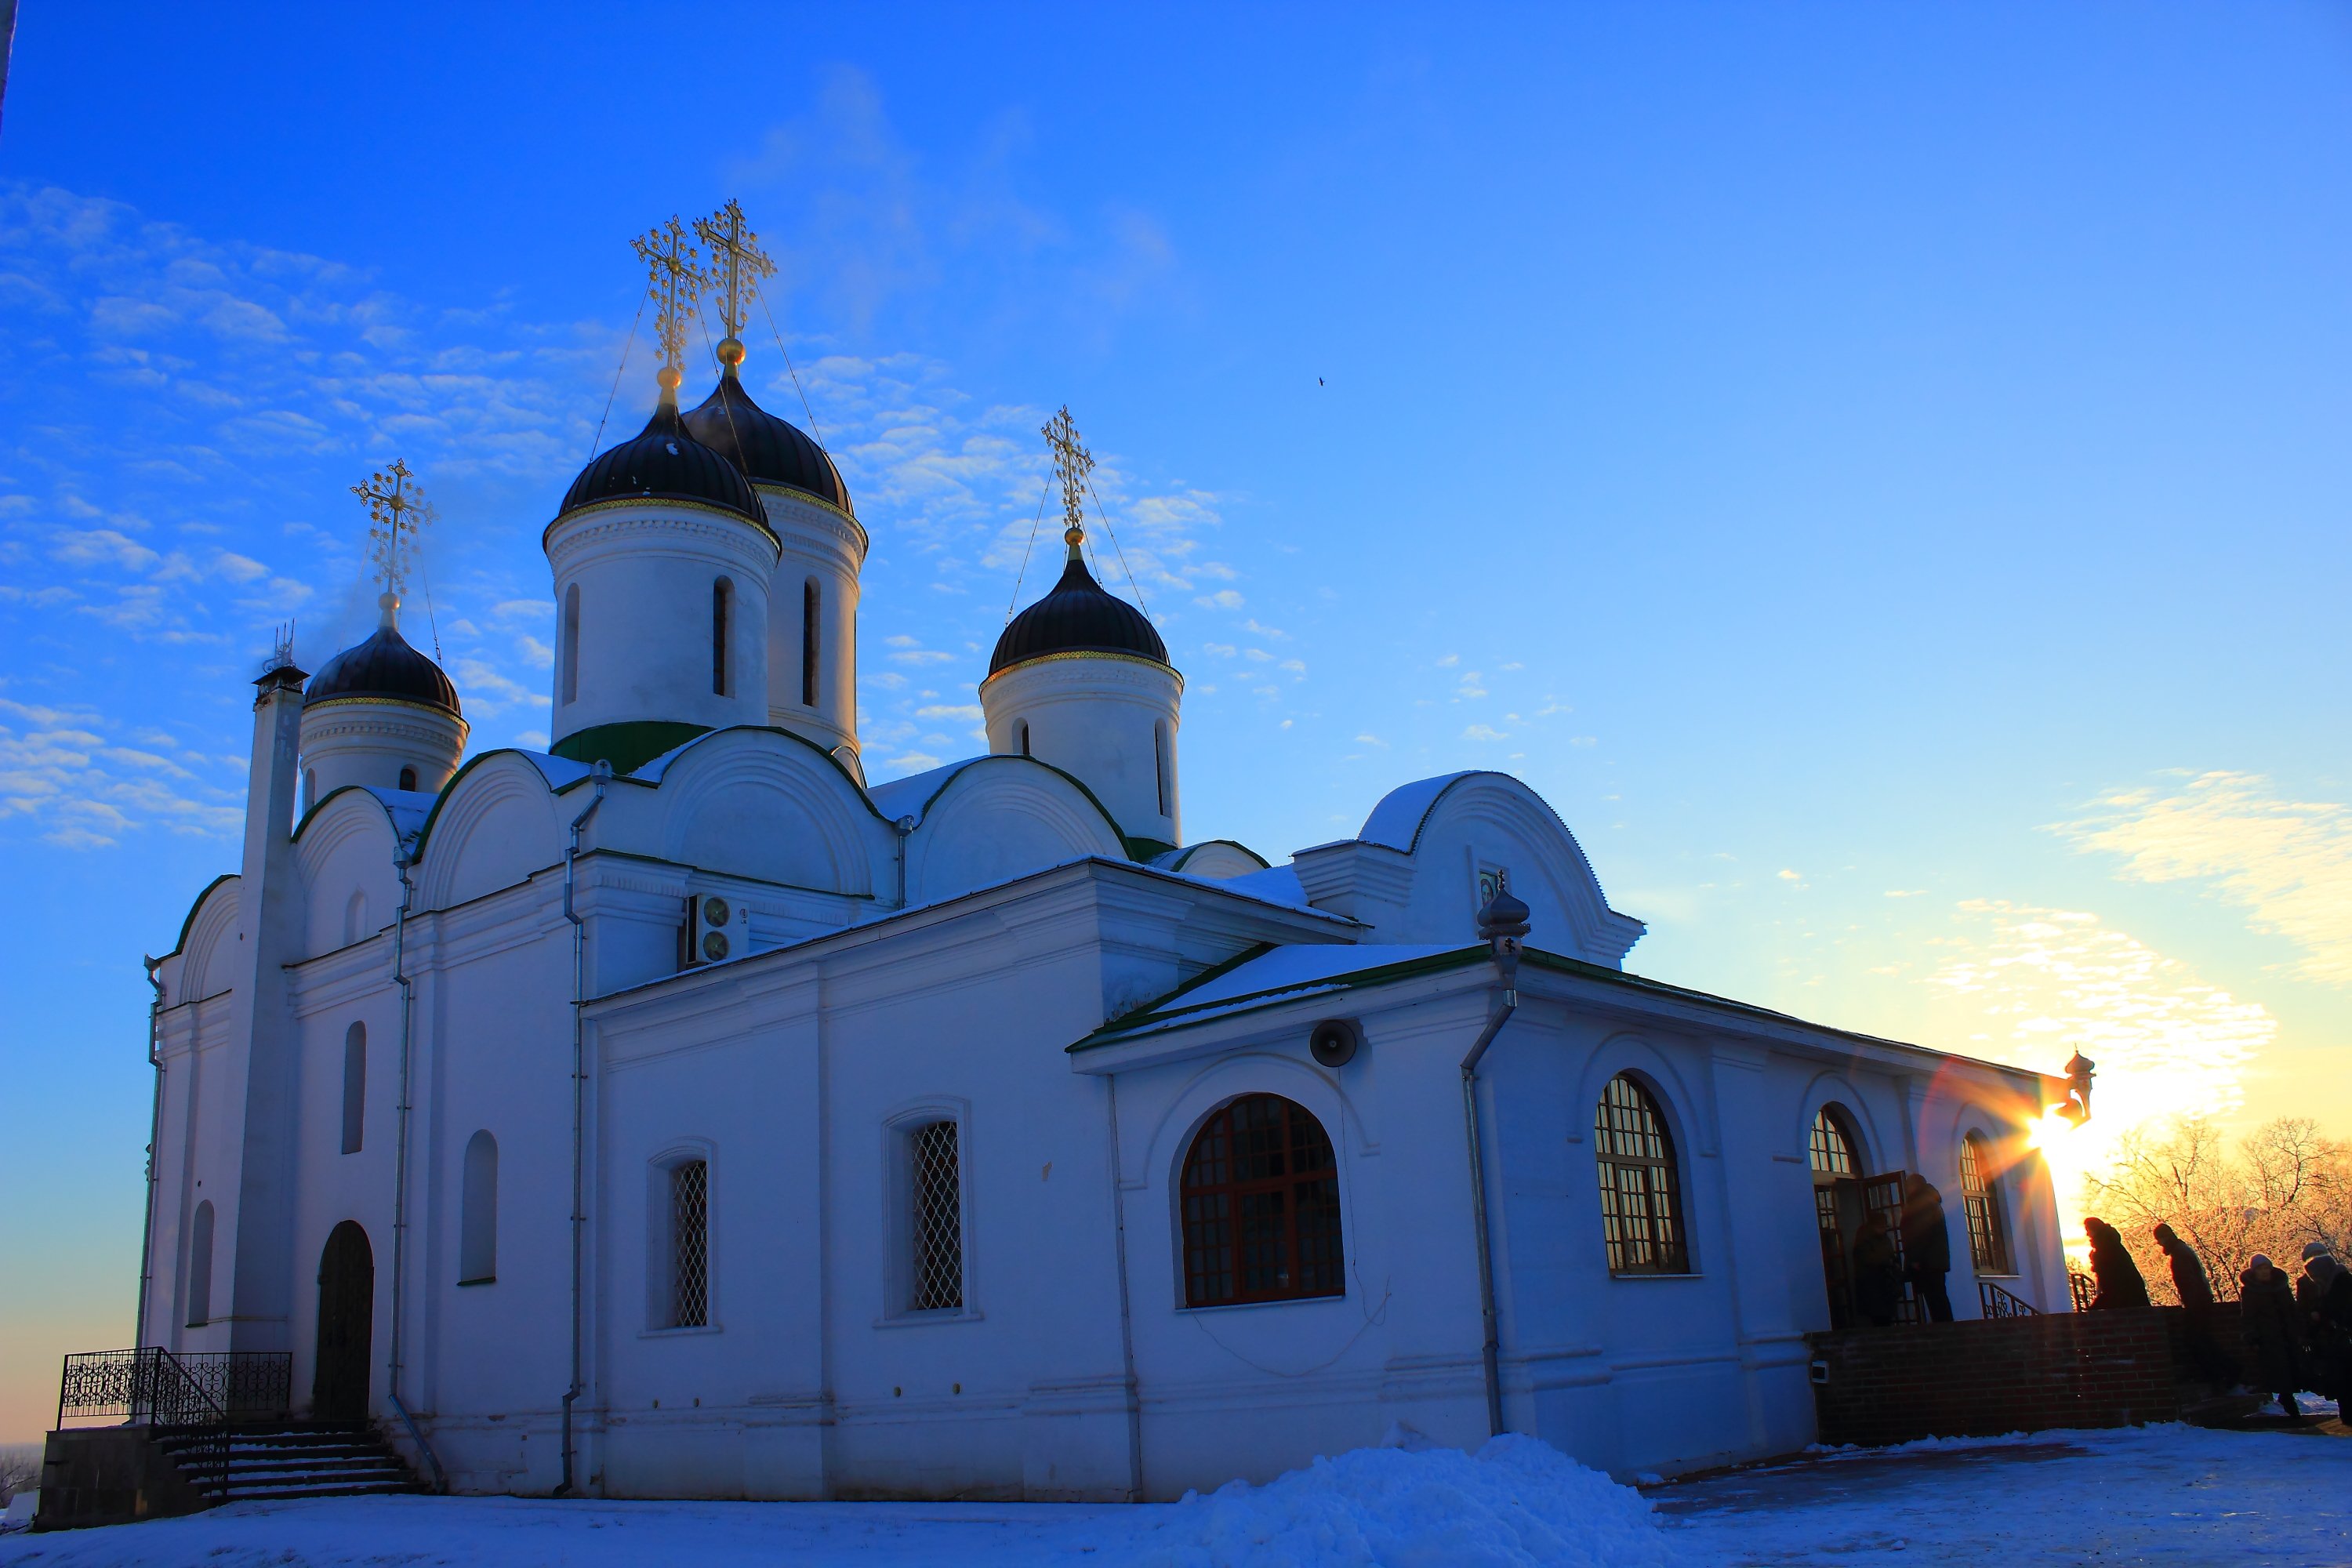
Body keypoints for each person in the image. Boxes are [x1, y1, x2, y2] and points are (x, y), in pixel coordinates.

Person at [2240, 1254, 2305, 1419]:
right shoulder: (2250, 1291)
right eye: (2260, 1269)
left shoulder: (2281, 1286)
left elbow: (2291, 1309)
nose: (2264, 1272)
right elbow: (2248, 1316)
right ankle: (2290, 1403)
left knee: (2292, 1367)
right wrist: (2252, 1336)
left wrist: (2298, 1329)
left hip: (2287, 1334)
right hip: (2268, 1336)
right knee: (2279, 1369)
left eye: (2266, 1268)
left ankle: (2287, 1397)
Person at [2296, 1244, 2352, 1408]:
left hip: (2340, 1339)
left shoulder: (2339, 1284)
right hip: (2332, 1339)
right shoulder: (2325, 1284)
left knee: (2343, 1377)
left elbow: (2340, 1309)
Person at [1900, 1174, 1955, 1323]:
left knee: (1935, 1298)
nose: (1907, 1189)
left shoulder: (1921, 1203)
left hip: (1927, 1262)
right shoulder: (1931, 1202)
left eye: (1908, 1186)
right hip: (1934, 1260)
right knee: (1938, 1297)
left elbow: (1920, 1233)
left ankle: (1945, 1331)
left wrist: (1915, 1259)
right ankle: (1946, 1329)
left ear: (1914, 1186)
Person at [1851, 1209, 1904, 1328]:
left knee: (1884, 1318)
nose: (1884, 1229)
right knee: (1879, 1319)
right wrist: (1887, 1262)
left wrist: (1893, 1262)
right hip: (1873, 1283)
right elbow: (1866, 1258)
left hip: (1883, 1284)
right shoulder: (1865, 1238)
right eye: (1881, 1227)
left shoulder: (1879, 1238)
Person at [2084, 1218, 2151, 1310]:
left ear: (2094, 1230)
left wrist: (2095, 1307)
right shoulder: (2113, 1246)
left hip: (2126, 1301)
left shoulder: (2105, 1251)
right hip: (2134, 1297)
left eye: (2088, 1230)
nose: (2087, 1234)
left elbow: (2111, 1287)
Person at [2152, 1223, 2212, 1309]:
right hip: (2201, 1301)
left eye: (2159, 1240)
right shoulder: (2182, 1249)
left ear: (2165, 1238)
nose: (2159, 1244)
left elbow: (2187, 1282)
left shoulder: (2179, 1254)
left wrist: (2191, 1306)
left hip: (2198, 1305)